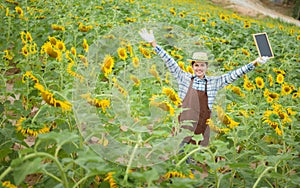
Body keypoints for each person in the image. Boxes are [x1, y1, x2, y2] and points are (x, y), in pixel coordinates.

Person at [139, 28, 269, 147]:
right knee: (177, 153)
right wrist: (154, 43)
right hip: (183, 125)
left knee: (193, 157)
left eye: (202, 65)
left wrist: (255, 62)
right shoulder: (184, 78)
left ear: (206, 67)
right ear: (192, 67)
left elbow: (234, 74)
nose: (199, 68)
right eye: (196, 65)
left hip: (200, 128)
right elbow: (170, 61)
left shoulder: (214, 83)